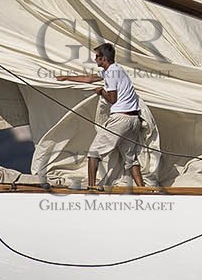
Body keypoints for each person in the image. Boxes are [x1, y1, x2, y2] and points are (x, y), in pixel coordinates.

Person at [59, 43, 144, 190]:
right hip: (133, 120)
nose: (94, 59)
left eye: (97, 57)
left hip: (121, 119)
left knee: (94, 152)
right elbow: (89, 79)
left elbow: (112, 99)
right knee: (130, 158)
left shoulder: (110, 73)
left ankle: (91, 187)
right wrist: (67, 78)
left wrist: (100, 91)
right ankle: (143, 189)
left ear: (103, 58)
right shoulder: (116, 69)